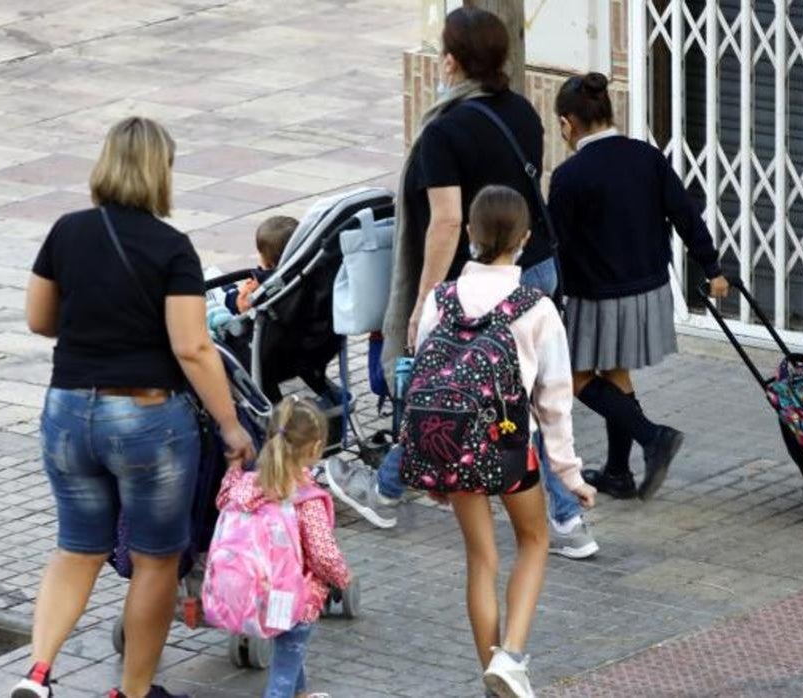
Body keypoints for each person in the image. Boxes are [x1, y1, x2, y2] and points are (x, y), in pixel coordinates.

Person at [328, 6, 599, 560]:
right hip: (538, 265)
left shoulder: (444, 132)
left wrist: (424, 299)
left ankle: (390, 491)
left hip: (482, 287)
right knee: (511, 397)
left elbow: (447, 221)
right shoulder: (522, 110)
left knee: (447, 395)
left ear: (451, 61)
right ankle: (564, 520)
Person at [15, 117, 256, 698]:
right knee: (155, 560)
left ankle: (39, 673)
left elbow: (39, 319)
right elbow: (193, 347)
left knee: (77, 548)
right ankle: (135, 690)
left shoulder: (65, 232)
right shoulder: (172, 249)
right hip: (147, 420)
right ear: (160, 173)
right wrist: (230, 426)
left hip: (68, 412)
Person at [405, 186, 596, 698]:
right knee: (533, 541)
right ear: (526, 239)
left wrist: (435, 462)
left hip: (452, 446)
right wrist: (570, 473)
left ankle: (493, 675)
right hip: (510, 445)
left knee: (480, 559)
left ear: (469, 233)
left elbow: (426, 377)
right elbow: (554, 401)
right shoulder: (535, 307)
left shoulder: (439, 299)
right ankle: (510, 656)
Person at [550, 73, 730, 501]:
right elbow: (686, 213)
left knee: (572, 378)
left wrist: (547, 301)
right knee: (616, 373)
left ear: (566, 123)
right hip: (649, 290)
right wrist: (712, 266)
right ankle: (617, 473)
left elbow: (557, 246)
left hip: (599, 294)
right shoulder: (646, 157)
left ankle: (653, 437)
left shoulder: (570, 176)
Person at [216, 397, 351, 698]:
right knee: (283, 671)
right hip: (296, 600)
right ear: (315, 449)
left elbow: (224, 499)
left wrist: (234, 469)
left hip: (256, 593)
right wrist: (342, 577)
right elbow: (322, 553)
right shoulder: (306, 498)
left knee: (289, 655)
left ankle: (301, 694)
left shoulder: (247, 486)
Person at [226, 215, 298, 315]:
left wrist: (234, 295)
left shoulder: (263, 281)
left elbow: (239, 303)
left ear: (267, 260)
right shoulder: (303, 270)